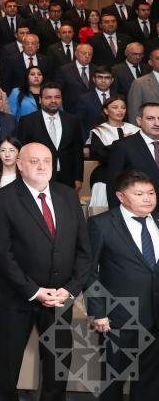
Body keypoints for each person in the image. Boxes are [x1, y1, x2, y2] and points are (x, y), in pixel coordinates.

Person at [0, 142, 92, 401]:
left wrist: (70, 290)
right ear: (20, 165)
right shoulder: (2, 199)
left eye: (47, 160)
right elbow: (1, 253)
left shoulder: (68, 196)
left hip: (59, 298)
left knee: (58, 369)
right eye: (34, 161)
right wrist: (33, 291)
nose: (42, 166)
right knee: (7, 368)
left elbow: (84, 251)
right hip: (16, 299)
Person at [86, 170, 159, 401]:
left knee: (149, 383)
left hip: (155, 317)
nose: (147, 198)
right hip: (118, 318)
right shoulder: (101, 224)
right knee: (113, 382)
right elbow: (89, 271)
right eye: (139, 194)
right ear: (120, 196)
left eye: (151, 193)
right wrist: (98, 312)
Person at [17, 82, 85, 191]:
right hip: (37, 176)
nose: (53, 101)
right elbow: (21, 151)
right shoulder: (27, 121)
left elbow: (78, 151)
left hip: (67, 177)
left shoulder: (72, 120)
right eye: (48, 97)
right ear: (40, 100)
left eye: (57, 97)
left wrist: (78, 177)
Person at [88, 96, 140, 208]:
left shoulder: (134, 129)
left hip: (132, 174)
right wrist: (121, 143)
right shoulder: (99, 131)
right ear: (106, 111)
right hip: (106, 174)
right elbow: (99, 154)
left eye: (123, 107)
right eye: (115, 107)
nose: (120, 110)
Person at [105, 102, 159, 210]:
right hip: (139, 213)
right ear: (139, 121)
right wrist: (117, 216)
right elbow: (114, 186)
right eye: (150, 118)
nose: (157, 123)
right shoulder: (123, 146)